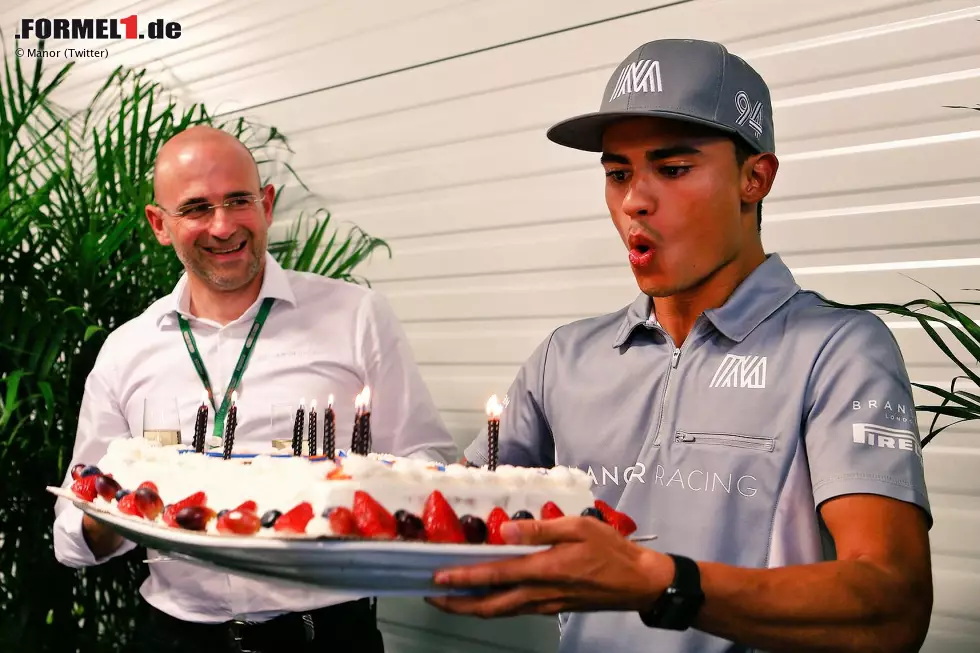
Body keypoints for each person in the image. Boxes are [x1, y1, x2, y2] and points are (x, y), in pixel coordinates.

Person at [427, 38, 933, 653]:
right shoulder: (564, 358)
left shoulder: (839, 351)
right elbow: (454, 520)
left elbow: (892, 606)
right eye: (618, 174)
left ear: (756, 177)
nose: (636, 200)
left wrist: (661, 584)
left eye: (672, 169)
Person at [52, 125, 459, 652]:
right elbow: (71, 531)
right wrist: (127, 508)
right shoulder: (125, 350)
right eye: (196, 208)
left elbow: (425, 458)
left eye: (238, 200)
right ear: (159, 223)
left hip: (326, 637)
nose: (223, 226)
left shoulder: (357, 315)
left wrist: (364, 496)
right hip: (175, 640)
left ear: (266, 204)